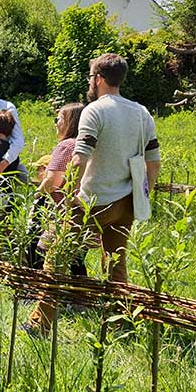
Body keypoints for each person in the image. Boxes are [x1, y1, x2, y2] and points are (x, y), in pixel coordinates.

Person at [25, 54, 161, 335]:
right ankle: (121, 322)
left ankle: (40, 323)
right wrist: (144, 195)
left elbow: (79, 159)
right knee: (115, 263)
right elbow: (154, 161)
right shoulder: (141, 113)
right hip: (126, 202)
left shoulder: (94, 111)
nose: (90, 82)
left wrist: (72, 194)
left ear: (98, 78)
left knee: (56, 256)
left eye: (90, 77)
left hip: (92, 200)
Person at [26, 103, 86, 272]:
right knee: (76, 259)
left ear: (70, 122)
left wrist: (37, 194)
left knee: (41, 252)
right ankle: (79, 295)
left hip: (64, 213)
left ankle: (40, 292)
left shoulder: (66, 146)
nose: (55, 123)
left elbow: (52, 182)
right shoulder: (86, 146)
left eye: (58, 119)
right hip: (85, 210)